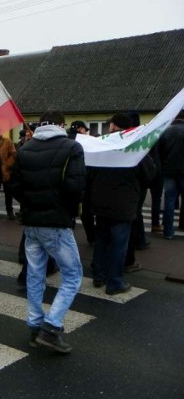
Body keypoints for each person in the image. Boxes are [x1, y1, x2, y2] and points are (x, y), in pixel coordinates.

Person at [10, 111, 85, 353]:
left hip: (31, 223)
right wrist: (66, 208)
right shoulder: (71, 147)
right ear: (61, 125)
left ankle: (34, 325)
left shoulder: (25, 149)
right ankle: (51, 327)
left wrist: (32, 202)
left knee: (35, 275)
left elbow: (14, 186)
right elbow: (76, 186)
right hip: (56, 223)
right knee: (72, 275)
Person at [88, 113, 155, 295]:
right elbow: (148, 175)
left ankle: (98, 276)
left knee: (101, 240)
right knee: (119, 244)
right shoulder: (135, 147)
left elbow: (90, 171)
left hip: (101, 202)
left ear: (113, 127)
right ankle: (115, 282)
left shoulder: (101, 145)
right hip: (124, 204)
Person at [158, 110, 184, 240]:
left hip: (168, 171)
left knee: (169, 201)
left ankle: (168, 232)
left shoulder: (166, 132)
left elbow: (159, 152)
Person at [0, 136, 17, 220]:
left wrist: (7, 165)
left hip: (6, 172)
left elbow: (14, 155)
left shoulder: (7, 141)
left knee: (8, 193)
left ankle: (9, 212)